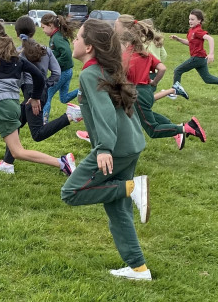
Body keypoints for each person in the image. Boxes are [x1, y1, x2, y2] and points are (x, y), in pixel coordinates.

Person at [61, 19, 152, 281]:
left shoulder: (90, 74)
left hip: (115, 148)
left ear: (89, 47)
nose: (74, 41)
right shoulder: (105, 70)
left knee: (71, 192)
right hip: (130, 144)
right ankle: (138, 268)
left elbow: (105, 113)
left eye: (78, 37)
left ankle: (133, 187)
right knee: (117, 209)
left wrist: (103, 149)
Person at [0, 19, 75, 189]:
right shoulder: (14, 57)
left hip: (3, 108)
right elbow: (39, 77)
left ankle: (62, 162)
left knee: (18, 152)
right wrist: (35, 96)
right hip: (7, 106)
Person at [0, 15, 82, 174]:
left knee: (37, 134)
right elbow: (57, 73)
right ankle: (7, 163)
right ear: (33, 31)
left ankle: (70, 116)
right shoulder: (46, 50)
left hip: (32, 95)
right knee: (16, 124)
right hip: (39, 91)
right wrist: (46, 85)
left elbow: (16, 78)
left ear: (17, 33)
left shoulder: (18, 53)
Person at [119, 24, 206, 150]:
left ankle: (186, 128)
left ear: (126, 43)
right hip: (148, 91)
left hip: (137, 94)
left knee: (153, 129)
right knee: (138, 115)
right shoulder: (146, 54)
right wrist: (154, 83)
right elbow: (162, 68)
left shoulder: (125, 57)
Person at [169, 9, 218, 98]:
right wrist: (178, 39)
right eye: (189, 19)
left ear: (199, 20)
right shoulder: (191, 30)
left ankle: (175, 92)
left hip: (197, 58)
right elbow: (190, 43)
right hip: (201, 59)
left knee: (178, 70)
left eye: (192, 19)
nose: (190, 21)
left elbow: (210, 39)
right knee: (207, 79)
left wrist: (211, 54)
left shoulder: (197, 31)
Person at [40, 14, 79, 121]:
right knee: (63, 98)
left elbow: (67, 53)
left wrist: (54, 65)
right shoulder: (56, 36)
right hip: (67, 71)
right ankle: (82, 90)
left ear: (51, 25)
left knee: (47, 94)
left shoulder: (57, 38)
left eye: (43, 27)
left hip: (63, 73)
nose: (43, 30)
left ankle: (44, 122)